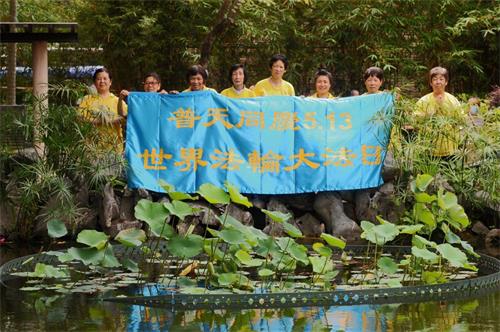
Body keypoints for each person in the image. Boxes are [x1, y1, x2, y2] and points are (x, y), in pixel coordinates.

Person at [415, 66, 462, 157]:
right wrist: (430, 114)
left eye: (441, 79)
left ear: (446, 82)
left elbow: (460, 119)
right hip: (428, 145)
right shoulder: (423, 100)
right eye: (435, 79)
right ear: (431, 83)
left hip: (448, 144)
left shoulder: (453, 100)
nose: (438, 82)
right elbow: (416, 119)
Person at [78, 67, 127, 152]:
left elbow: (126, 119)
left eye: (105, 79)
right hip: (91, 149)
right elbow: (80, 118)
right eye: (99, 79)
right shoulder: (86, 99)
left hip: (114, 149)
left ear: (110, 82)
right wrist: (102, 121)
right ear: (94, 82)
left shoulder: (118, 101)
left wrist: (110, 120)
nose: (102, 81)